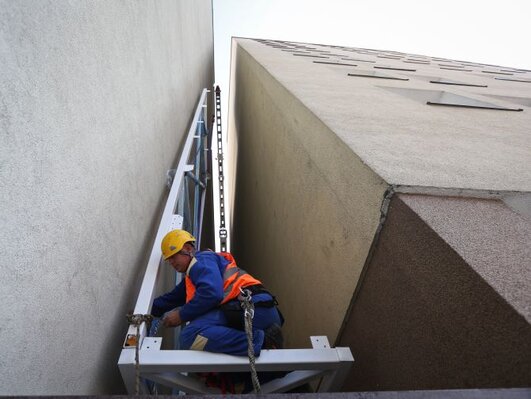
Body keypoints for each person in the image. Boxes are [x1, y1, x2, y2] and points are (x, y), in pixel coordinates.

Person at [151, 229, 283, 357]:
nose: (171, 262)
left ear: (188, 249)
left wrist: (181, 315)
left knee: (190, 335)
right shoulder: (193, 277)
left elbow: (211, 293)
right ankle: (261, 341)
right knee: (194, 333)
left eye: (173, 256)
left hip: (253, 309)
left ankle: (263, 342)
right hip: (257, 311)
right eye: (168, 260)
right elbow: (170, 299)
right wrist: (146, 312)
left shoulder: (201, 260)